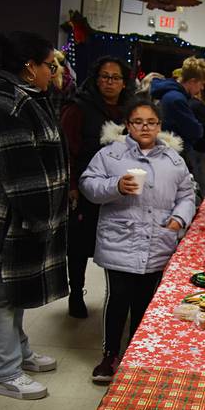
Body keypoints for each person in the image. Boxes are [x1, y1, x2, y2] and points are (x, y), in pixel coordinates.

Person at [80, 99, 196, 383]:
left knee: (145, 302)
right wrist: (116, 186)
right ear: (128, 125)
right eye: (138, 122)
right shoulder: (111, 154)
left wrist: (179, 218)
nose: (145, 127)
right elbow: (88, 184)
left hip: (158, 240)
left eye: (151, 122)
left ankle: (136, 354)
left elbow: (187, 193)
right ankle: (109, 355)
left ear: (159, 126)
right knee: (118, 298)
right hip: (120, 240)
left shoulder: (173, 159)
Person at [0, 32, 67, 400]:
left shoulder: (26, 97)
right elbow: (20, 172)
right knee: (4, 297)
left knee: (17, 292)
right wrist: (40, 217)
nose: (51, 73)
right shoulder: (8, 103)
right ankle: (5, 370)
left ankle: (19, 352)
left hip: (23, 219)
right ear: (29, 67)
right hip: (11, 219)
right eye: (48, 66)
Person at [60, 56, 134, 318]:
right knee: (80, 245)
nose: (110, 82)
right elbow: (66, 151)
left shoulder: (131, 109)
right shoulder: (78, 107)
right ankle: (76, 293)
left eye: (115, 78)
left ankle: (116, 297)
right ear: (96, 78)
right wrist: (71, 185)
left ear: (124, 83)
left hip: (121, 189)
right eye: (105, 76)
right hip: (86, 187)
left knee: (117, 244)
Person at [150, 56, 205, 172]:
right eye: (201, 83)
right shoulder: (177, 99)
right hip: (172, 156)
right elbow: (196, 131)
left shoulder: (171, 94)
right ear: (192, 81)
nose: (202, 88)